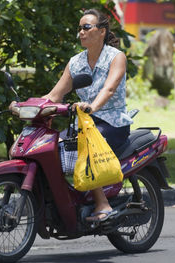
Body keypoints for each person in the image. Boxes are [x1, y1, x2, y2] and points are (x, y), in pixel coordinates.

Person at [42, 9, 133, 222]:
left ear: (102, 31)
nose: (81, 32)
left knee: (85, 145)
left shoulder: (116, 57)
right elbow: (55, 95)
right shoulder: (75, 63)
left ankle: (103, 204)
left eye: (86, 27)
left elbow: (109, 89)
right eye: (79, 28)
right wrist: (28, 105)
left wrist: (91, 107)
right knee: (51, 147)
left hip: (112, 122)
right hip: (84, 123)